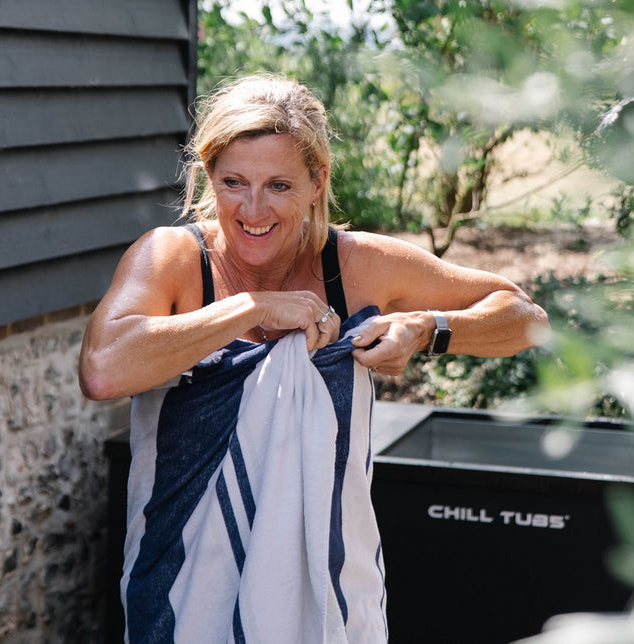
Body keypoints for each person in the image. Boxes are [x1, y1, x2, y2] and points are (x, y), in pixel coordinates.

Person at [80, 73, 549, 644]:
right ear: (208, 176)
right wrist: (252, 307)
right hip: (180, 591)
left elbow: (526, 318)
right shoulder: (174, 260)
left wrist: (426, 330)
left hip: (330, 592)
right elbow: (103, 369)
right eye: (233, 182)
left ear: (316, 182)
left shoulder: (354, 266)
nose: (253, 209)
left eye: (278, 185)